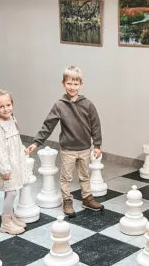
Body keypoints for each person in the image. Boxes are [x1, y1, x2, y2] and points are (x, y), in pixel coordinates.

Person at [27, 65, 103, 217]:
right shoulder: (59, 105)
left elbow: (96, 125)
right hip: (68, 149)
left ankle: (87, 198)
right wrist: (36, 142)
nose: (72, 87)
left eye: (75, 84)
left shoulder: (88, 104)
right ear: (63, 84)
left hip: (84, 148)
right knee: (66, 177)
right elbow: (48, 125)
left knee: (84, 175)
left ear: (81, 85)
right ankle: (67, 201)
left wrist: (97, 145)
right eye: (69, 83)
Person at [0, 89, 27, 235]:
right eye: (1, 106)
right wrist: (4, 169)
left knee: (12, 190)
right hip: (6, 167)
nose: (6, 109)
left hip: (15, 163)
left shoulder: (12, 120)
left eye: (8, 105)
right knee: (11, 192)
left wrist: (22, 149)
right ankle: (6, 222)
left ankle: (11, 216)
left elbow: (16, 140)